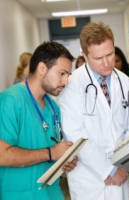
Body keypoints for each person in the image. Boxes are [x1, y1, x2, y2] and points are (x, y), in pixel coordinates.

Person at [58, 21, 129, 200]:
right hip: (89, 181)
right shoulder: (71, 84)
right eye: (98, 58)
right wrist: (110, 169)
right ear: (84, 55)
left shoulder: (124, 81)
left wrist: (123, 164)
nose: (107, 63)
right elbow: (76, 134)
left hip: (121, 174)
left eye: (110, 54)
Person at [0, 41, 77, 200]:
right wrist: (51, 153)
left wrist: (63, 160)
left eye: (68, 75)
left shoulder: (53, 108)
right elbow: (2, 155)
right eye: (62, 73)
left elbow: (52, 151)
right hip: (21, 195)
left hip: (51, 193)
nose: (65, 81)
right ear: (42, 68)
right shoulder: (10, 101)